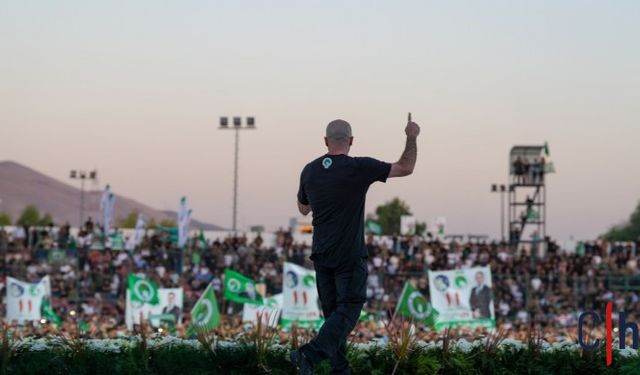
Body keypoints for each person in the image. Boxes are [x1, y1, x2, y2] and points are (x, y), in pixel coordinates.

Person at [290, 115, 420, 374]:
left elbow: (303, 209)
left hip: (321, 254)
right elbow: (405, 167)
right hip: (348, 254)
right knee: (349, 308)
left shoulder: (310, 170)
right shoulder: (359, 167)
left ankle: (340, 370)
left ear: (326, 141)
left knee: (334, 319)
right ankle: (308, 355)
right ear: (351, 141)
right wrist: (412, 136)